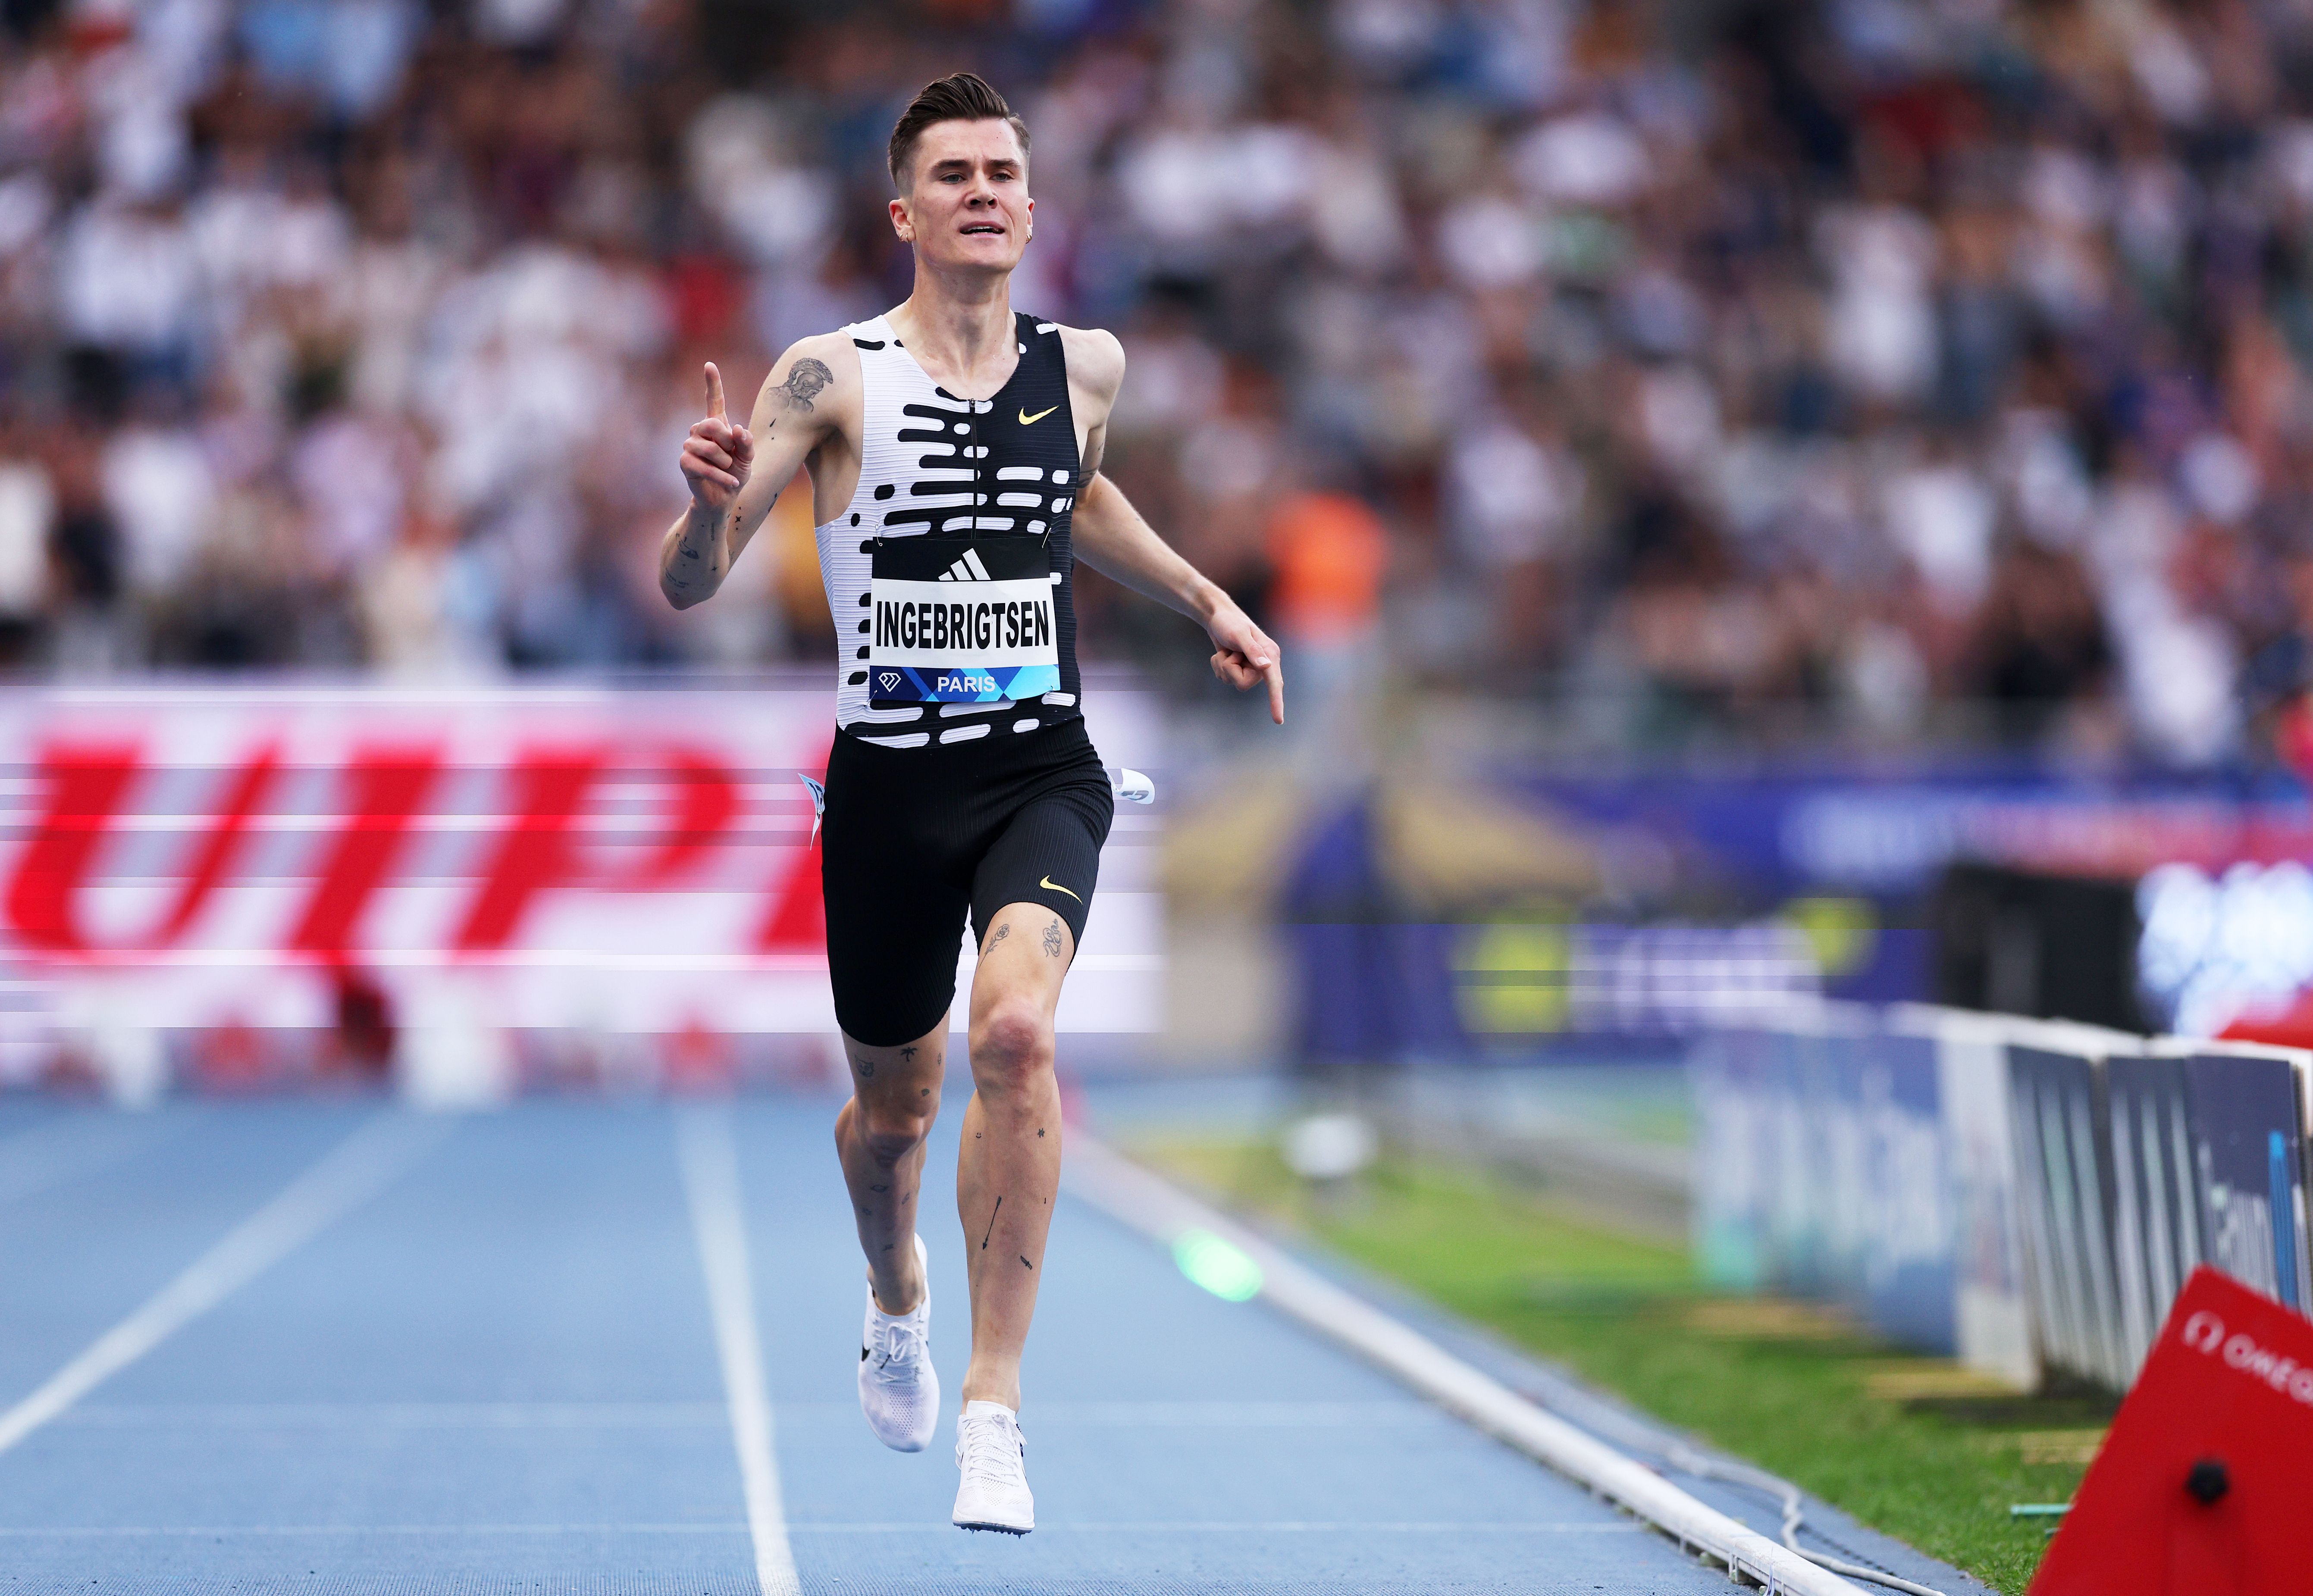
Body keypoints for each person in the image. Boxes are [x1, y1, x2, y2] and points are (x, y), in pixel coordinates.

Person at [658, 72, 1284, 1535]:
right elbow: (693, 585)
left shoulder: (1088, 368)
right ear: (905, 212)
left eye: (1004, 171)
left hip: (1036, 766)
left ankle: (995, 1411)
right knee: (892, 1120)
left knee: (1014, 1034)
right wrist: (701, 503)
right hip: (884, 785)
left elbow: (1074, 498)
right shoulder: (827, 377)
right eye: (955, 175)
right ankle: (896, 1295)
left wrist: (1206, 598)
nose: (987, 192)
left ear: (1029, 203)